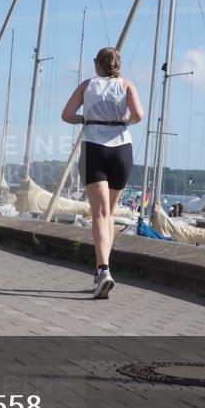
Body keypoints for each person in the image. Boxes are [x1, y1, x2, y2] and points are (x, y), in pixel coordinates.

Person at [61, 47, 143, 299]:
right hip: (121, 150)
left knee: (98, 212)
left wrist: (85, 119)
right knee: (109, 214)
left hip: (94, 148)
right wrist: (120, 122)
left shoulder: (87, 85)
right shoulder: (127, 85)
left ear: (97, 65)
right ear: (118, 65)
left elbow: (66, 115)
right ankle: (102, 271)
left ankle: (103, 269)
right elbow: (138, 115)